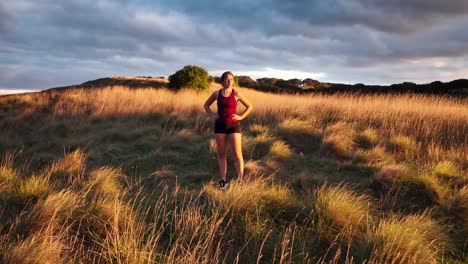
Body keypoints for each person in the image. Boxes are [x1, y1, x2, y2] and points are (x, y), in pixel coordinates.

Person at [203, 71, 253, 189]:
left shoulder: (236, 94)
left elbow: (249, 106)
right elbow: (206, 105)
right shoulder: (216, 94)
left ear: (233, 81)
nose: (229, 81)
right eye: (226, 79)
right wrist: (211, 115)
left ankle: (240, 181)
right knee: (221, 154)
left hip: (234, 126)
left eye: (231, 79)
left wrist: (241, 116)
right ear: (222, 81)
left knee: (237, 154)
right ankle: (223, 181)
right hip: (220, 126)